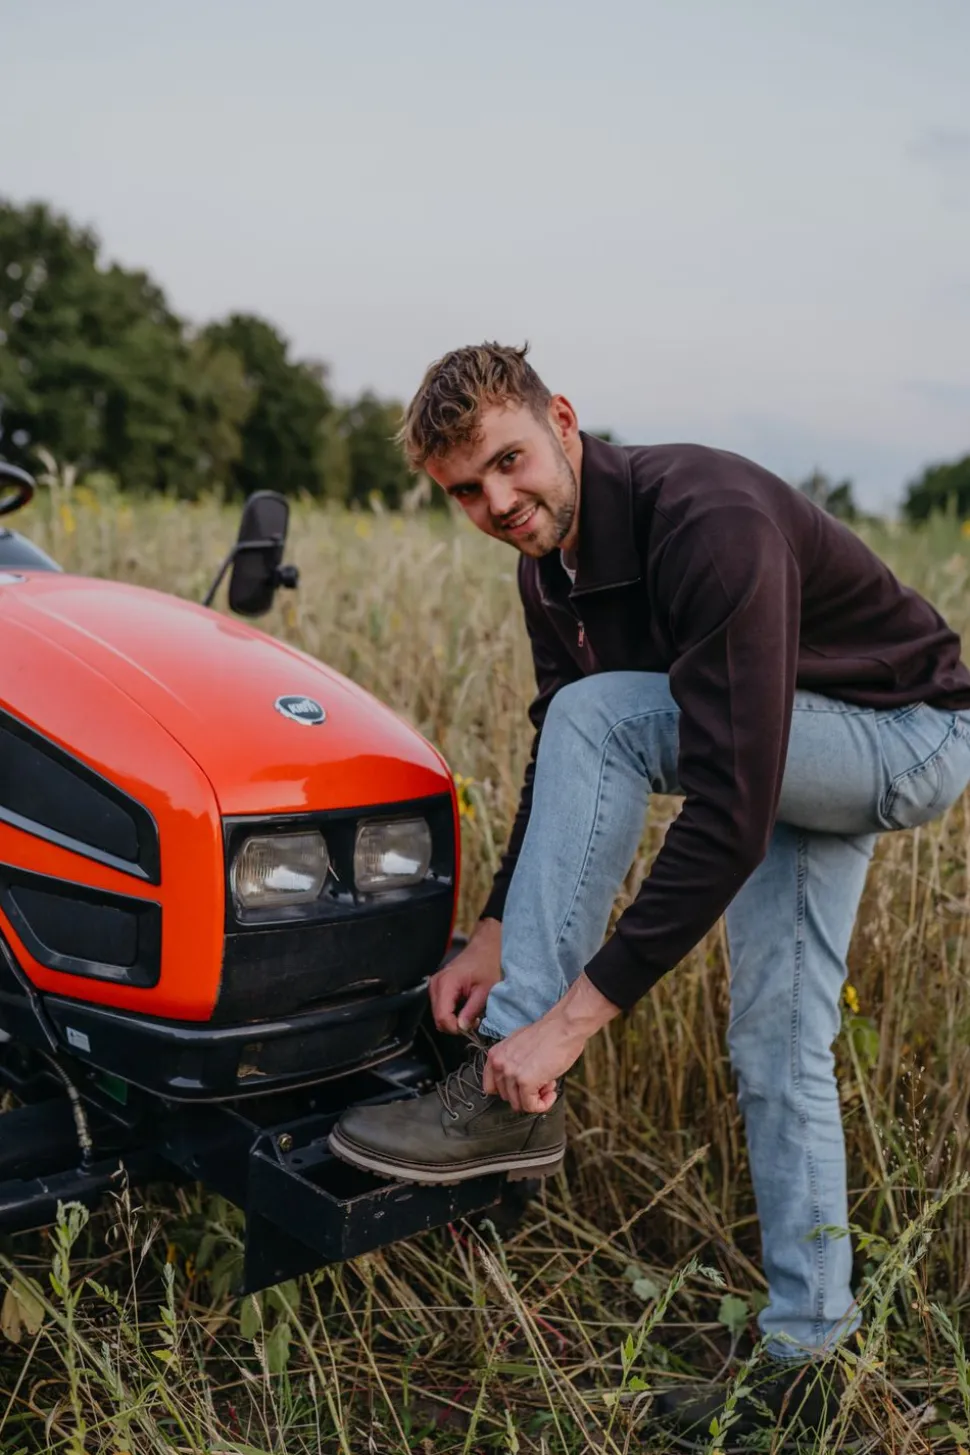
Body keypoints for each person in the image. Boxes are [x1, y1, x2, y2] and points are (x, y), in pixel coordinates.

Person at [328, 342, 970, 1438]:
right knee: (776, 1042)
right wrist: (490, 928)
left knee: (601, 719)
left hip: (902, 739)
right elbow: (559, 753)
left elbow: (727, 811)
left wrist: (564, 1025)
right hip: (784, 733)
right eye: (463, 492)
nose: (497, 503)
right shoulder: (550, 569)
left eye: (508, 462)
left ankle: (502, 1096)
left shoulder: (704, 521)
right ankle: (809, 1365)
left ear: (563, 419)